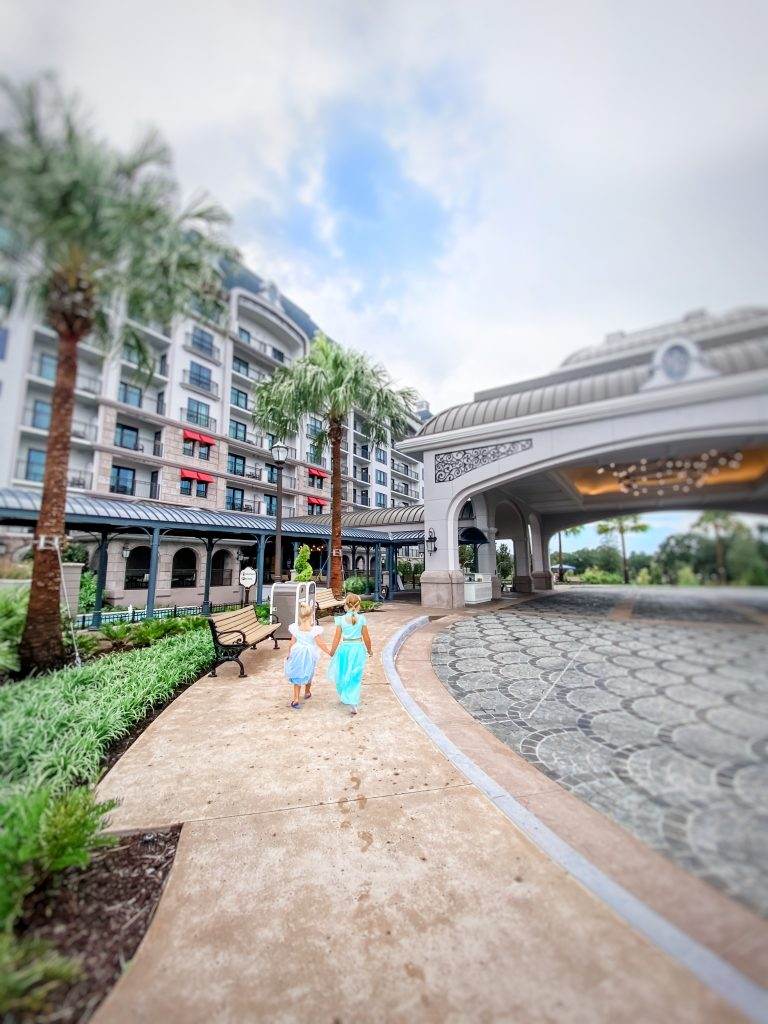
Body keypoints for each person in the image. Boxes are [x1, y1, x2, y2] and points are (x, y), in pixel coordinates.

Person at [327, 593, 372, 715]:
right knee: (355, 674)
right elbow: (367, 638)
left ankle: (346, 695)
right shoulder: (362, 619)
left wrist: (332, 651)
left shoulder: (341, 620)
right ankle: (352, 699)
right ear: (358, 606)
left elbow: (336, 638)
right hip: (357, 649)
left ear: (345, 605)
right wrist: (369, 650)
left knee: (342, 672)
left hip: (344, 649)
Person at [284, 601, 330, 710]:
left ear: (299, 616)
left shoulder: (295, 628)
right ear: (311, 616)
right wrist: (329, 652)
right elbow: (320, 643)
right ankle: (307, 691)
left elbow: (292, 642)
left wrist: (289, 653)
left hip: (297, 652)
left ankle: (295, 698)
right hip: (309, 653)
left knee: (297, 674)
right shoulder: (314, 630)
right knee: (309, 672)